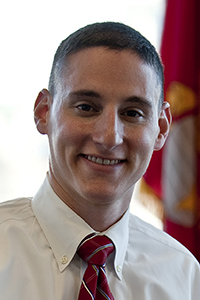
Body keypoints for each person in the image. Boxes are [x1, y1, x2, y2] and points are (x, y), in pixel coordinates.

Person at [0, 22, 199, 300]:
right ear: (44, 112)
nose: (109, 137)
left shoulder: (184, 277)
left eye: (132, 113)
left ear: (162, 128)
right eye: (86, 107)